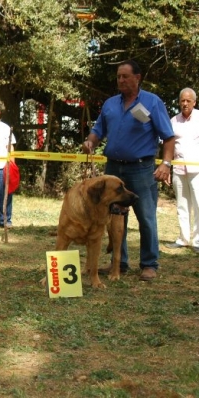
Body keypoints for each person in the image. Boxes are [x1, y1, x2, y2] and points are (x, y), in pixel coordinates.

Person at [82, 59, 175, 281]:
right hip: (113, 169)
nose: (121, 80)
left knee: (146, 216)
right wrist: (90, 142)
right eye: (118, 77)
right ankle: (119, 263)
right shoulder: (110, 104)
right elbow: (98, 130)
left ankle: (149, 264)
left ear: (137, 78)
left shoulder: (151, 103)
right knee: (114, 217)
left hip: (141, 169)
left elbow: (168, 137)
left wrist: (166, 164)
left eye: (125, 76)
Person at [166, 87, 199, 253]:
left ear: (194, 102)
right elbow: (168, 144)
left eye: (188, 101)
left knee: (198, 205)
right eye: (182, 101)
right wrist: (167, 166)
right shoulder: (174, 120)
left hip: (197, 169)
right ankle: (183, 238)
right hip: (178, 167)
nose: (185, 104)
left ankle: (198, 241)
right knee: (182, 205)